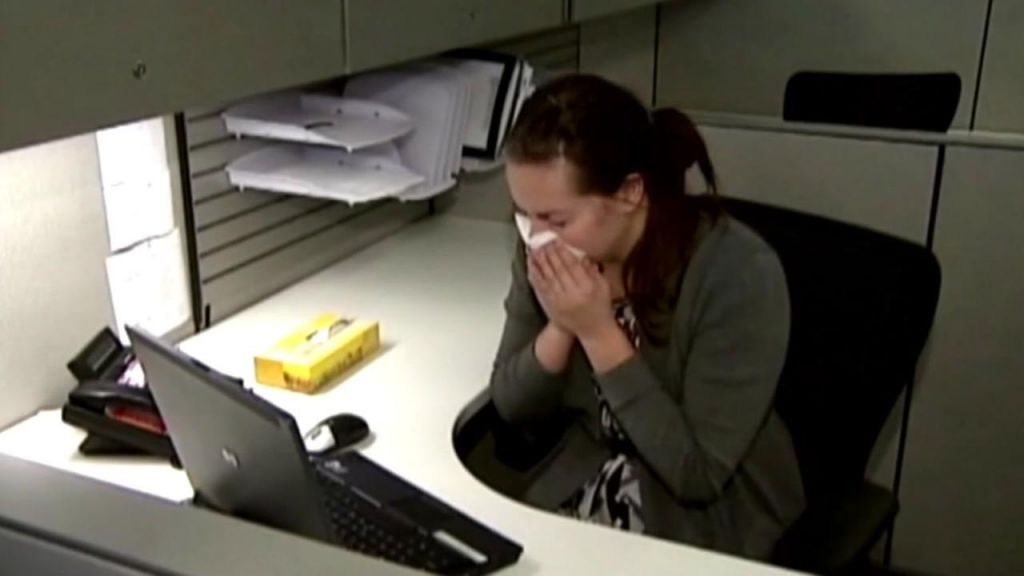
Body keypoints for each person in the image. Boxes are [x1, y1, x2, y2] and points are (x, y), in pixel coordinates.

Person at [488, 74, 805, 560]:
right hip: (592, 476)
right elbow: (510, 405)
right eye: (523, 214)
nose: (535, 236)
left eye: (556, 219)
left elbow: (697, 474)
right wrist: (561, 326)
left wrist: (598, 333)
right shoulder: (546, 247)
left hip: (710, 517)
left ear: (630, 193)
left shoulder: (735, 271)